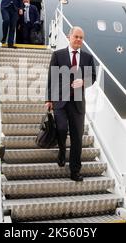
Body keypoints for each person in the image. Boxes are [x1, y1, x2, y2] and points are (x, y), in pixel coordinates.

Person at [45, 27, 96, 182]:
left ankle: (75, 170)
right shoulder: (58, 55)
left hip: (78, 104)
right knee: (61, 128)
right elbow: (51, 77)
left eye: (81, 37)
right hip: (60, 100)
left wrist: (84, 81)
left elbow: (92, 76)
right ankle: (61, 151)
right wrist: (48, 99)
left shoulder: (87, 57)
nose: (79, 40)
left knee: (77, 138)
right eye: (76, 36)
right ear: (69, 37)